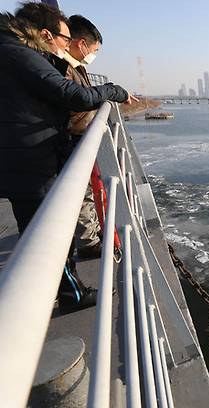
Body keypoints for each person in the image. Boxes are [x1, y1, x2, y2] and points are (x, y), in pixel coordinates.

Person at [0, 2, 135, 312]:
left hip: (25, 155)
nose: (64, 44)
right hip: (30, 158)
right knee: (48, 232)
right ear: (46, 33)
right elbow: (74, 96)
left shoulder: (14, 53)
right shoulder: (19, 55)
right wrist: (112, 90)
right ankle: (70, 294)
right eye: (64, 37)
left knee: (40, 229)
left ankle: (50, 290)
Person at [62, 15, 105, 259]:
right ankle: (88, 242)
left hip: (80, 137)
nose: (93, 55)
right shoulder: (63, 68)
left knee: (88, 192)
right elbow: (78, 100)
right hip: (72, 139)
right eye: (94, 49)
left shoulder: (77, 67)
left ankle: (91, 233)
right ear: (81, 43)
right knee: (81, 193)